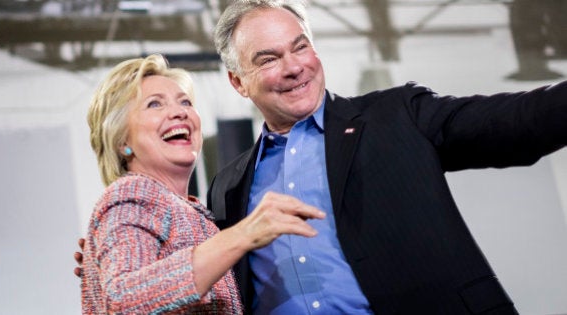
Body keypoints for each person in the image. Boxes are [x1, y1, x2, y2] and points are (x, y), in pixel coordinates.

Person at [207, 0, 567, 314]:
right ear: (238, 82)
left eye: (300, 48)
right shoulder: (227, 185)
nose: (293, 67)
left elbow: (517, 121)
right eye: (269, 59)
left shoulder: (396, 117)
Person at [80, 53, 325, 314]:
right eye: (154, 104)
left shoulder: (195, 213)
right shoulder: (132, 193)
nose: (179, 112)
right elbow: (124, 300)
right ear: (122, 141)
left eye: (185, 102)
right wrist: (242, 235)